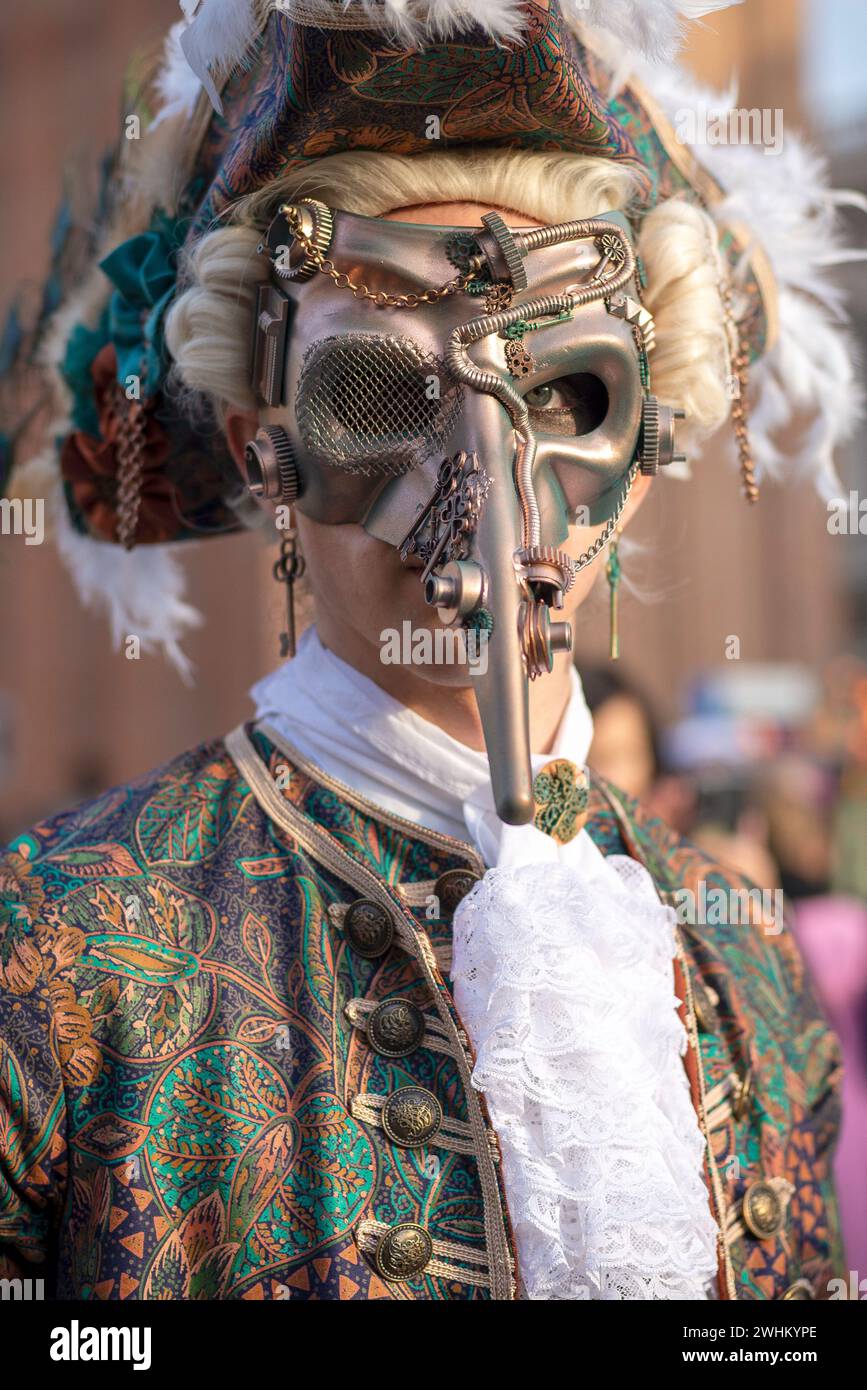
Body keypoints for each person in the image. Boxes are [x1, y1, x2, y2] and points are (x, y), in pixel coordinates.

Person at [0, 0, 854, 1301]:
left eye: (568, 392)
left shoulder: (745, 969)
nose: (490, 472)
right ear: (258, 443)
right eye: (386, 393)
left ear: (643, 454)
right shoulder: (54, 948)